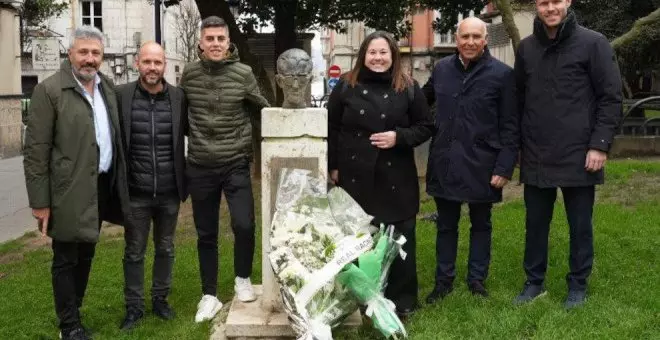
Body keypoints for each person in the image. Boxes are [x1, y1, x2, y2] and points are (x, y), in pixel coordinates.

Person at [513, 0, 622, 309]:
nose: (551, 8)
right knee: (535, 224)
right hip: (535, 152)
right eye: (544, 2)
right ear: (537, 5)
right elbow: (518, 101)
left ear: (568, 3)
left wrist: (599, 144)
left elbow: (611, 98)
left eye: (556, 1)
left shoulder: (594, 43)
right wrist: (519, 146)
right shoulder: (526, 49)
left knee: (580, 225)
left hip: (580, 154)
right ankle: (534, 283)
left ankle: (578, 284)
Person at [23, 26, 129, 340]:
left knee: (87, 253)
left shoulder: (107, 86)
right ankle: (68, 326)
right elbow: (36, 151)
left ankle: (75, 312)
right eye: (83, 52)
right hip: (67, 191)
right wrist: (40, 203)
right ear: (70, 53)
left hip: (100, 187)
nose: (90, 59)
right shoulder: (50, 91)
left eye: (95, 53)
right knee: (66, 257)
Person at [327, 30, 434, 317]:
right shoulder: (345, 86)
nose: (377, 58)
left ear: (392, 56)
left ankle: (402, 302)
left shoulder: (408, 87)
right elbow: (331, 127)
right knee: (358, 241)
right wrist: (333, 166)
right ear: (364, 55)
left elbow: (426, 126)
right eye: (372, 52)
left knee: (400, 240)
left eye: (383, 52)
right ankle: (359, 299)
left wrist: (398, 137)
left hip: (395, 176)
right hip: (354, 177)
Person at [179, 16, 270, 323]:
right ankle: (209, 294)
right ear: (201, 43)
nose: (215, 44)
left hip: (235, 162)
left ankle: (242, 278)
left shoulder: (244, 73)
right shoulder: (189, 75)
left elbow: (260, 108)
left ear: (228, 42)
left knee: (244, 224)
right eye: (210, 39)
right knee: (206, 233)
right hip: (201, 164)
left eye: (220, 38)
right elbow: (181, 116)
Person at [422, 17, 519, 304]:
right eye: (465, 36)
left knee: (481, 223)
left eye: (477, 36)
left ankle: (477, 280)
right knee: (446, 224)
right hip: (446, 160)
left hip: (483, 163)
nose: (470, 42)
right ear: (456, 38)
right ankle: (443, 281)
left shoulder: (502, 75)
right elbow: (419, 101)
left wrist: (505, 166)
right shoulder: (441, 70)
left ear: (486, 39)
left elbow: (510, 126)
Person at [115, 42, 188, 330]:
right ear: (137, 64)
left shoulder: (179, 97)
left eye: (157, 62)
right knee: (134, 251)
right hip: (136, 193)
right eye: (147, 61)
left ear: (165, 65)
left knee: (166, 248)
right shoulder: (122, 96)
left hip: (170, 191)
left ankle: (160, 299)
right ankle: (133, 307)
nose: (152, 67)